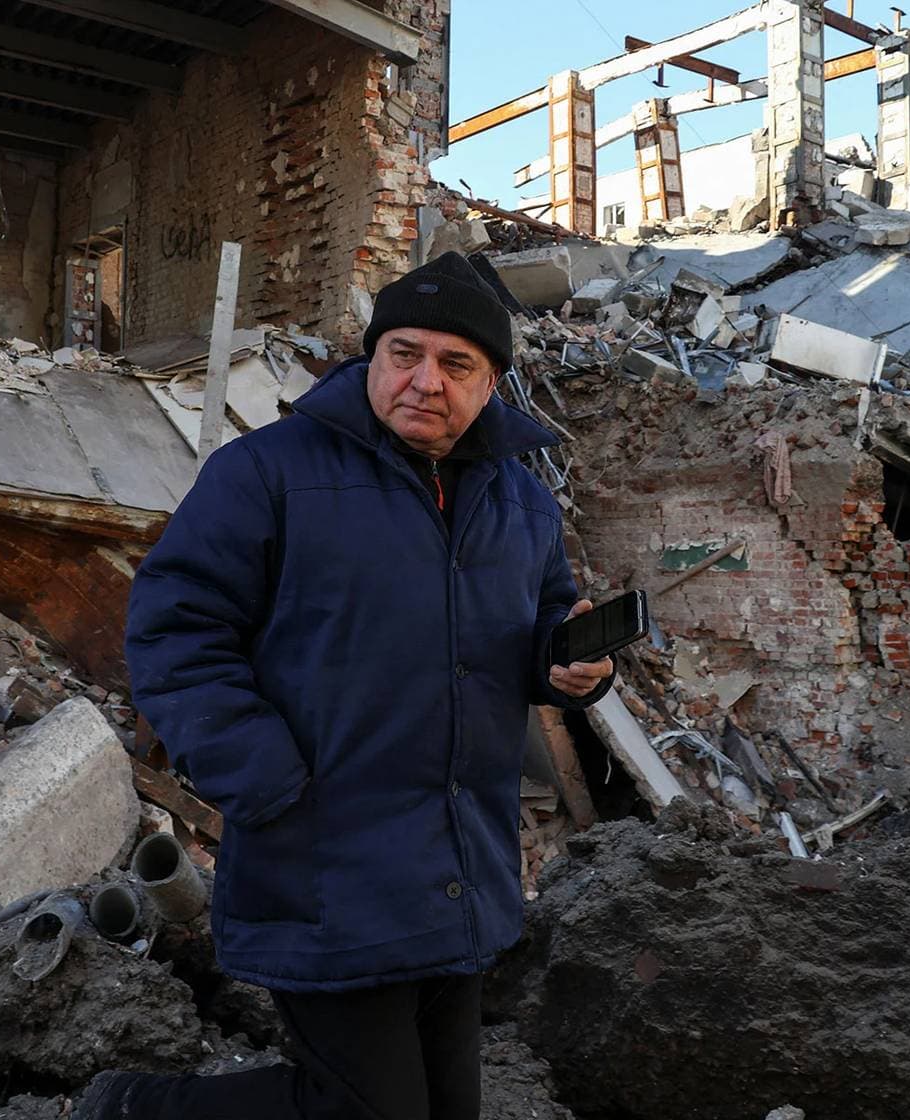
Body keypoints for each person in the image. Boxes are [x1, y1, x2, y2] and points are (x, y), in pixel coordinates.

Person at [87, 252, 615, 1120]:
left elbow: (539, 627)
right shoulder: (269, 473)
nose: (424, 381)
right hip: (325, 861)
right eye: (404, 354)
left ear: (491, 383)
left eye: (455, 364)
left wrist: (568, 666)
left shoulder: (521, 503)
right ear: (372, 358)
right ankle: (134, 1110)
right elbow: (174, 630)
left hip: (458, 861)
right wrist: (264, 781)